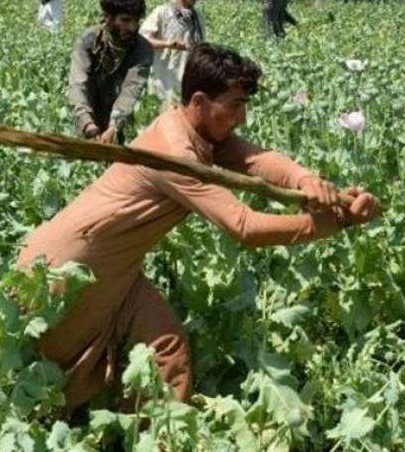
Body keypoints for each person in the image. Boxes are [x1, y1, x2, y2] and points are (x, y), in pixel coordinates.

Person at [20, 43, 381, 413]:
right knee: (23, 374)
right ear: (199, 100)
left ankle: (158, 435)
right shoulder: (176, 155)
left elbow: (255, 158)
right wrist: (322, 225)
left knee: (167, 350)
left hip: (118, 268)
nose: (241, 118)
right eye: (235, 105)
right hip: (73, 264)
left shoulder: (200, 131)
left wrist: (308, 181)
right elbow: (243, 226)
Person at [68, 0, 153, 144]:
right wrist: (87, 124)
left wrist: (114, 126)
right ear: (107, 17)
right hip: (86, 117)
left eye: (137, 21)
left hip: (120, 119)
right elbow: (78, 84)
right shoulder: (88, 41)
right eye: (126, 20)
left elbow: (131, 90)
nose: (133, 27)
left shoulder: (143, 49)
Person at [139, 0, 206, 105]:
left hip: (188, 77)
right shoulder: (162, 12)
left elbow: (202, 46)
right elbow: (143, 39)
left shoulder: (197, 17)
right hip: (164, 78)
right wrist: (168, 44)